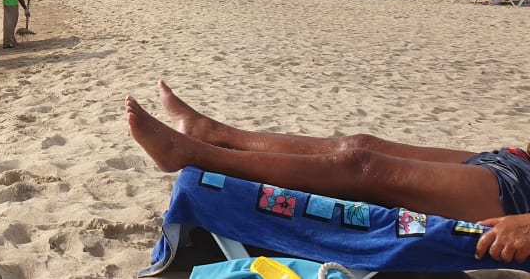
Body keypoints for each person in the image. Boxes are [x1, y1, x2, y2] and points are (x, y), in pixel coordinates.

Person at [127, 80, 530, 263]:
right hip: (513, 164)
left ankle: (191, 154)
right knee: (361, 145)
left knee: (361, 167)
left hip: (519, 197)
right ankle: (211, 134)